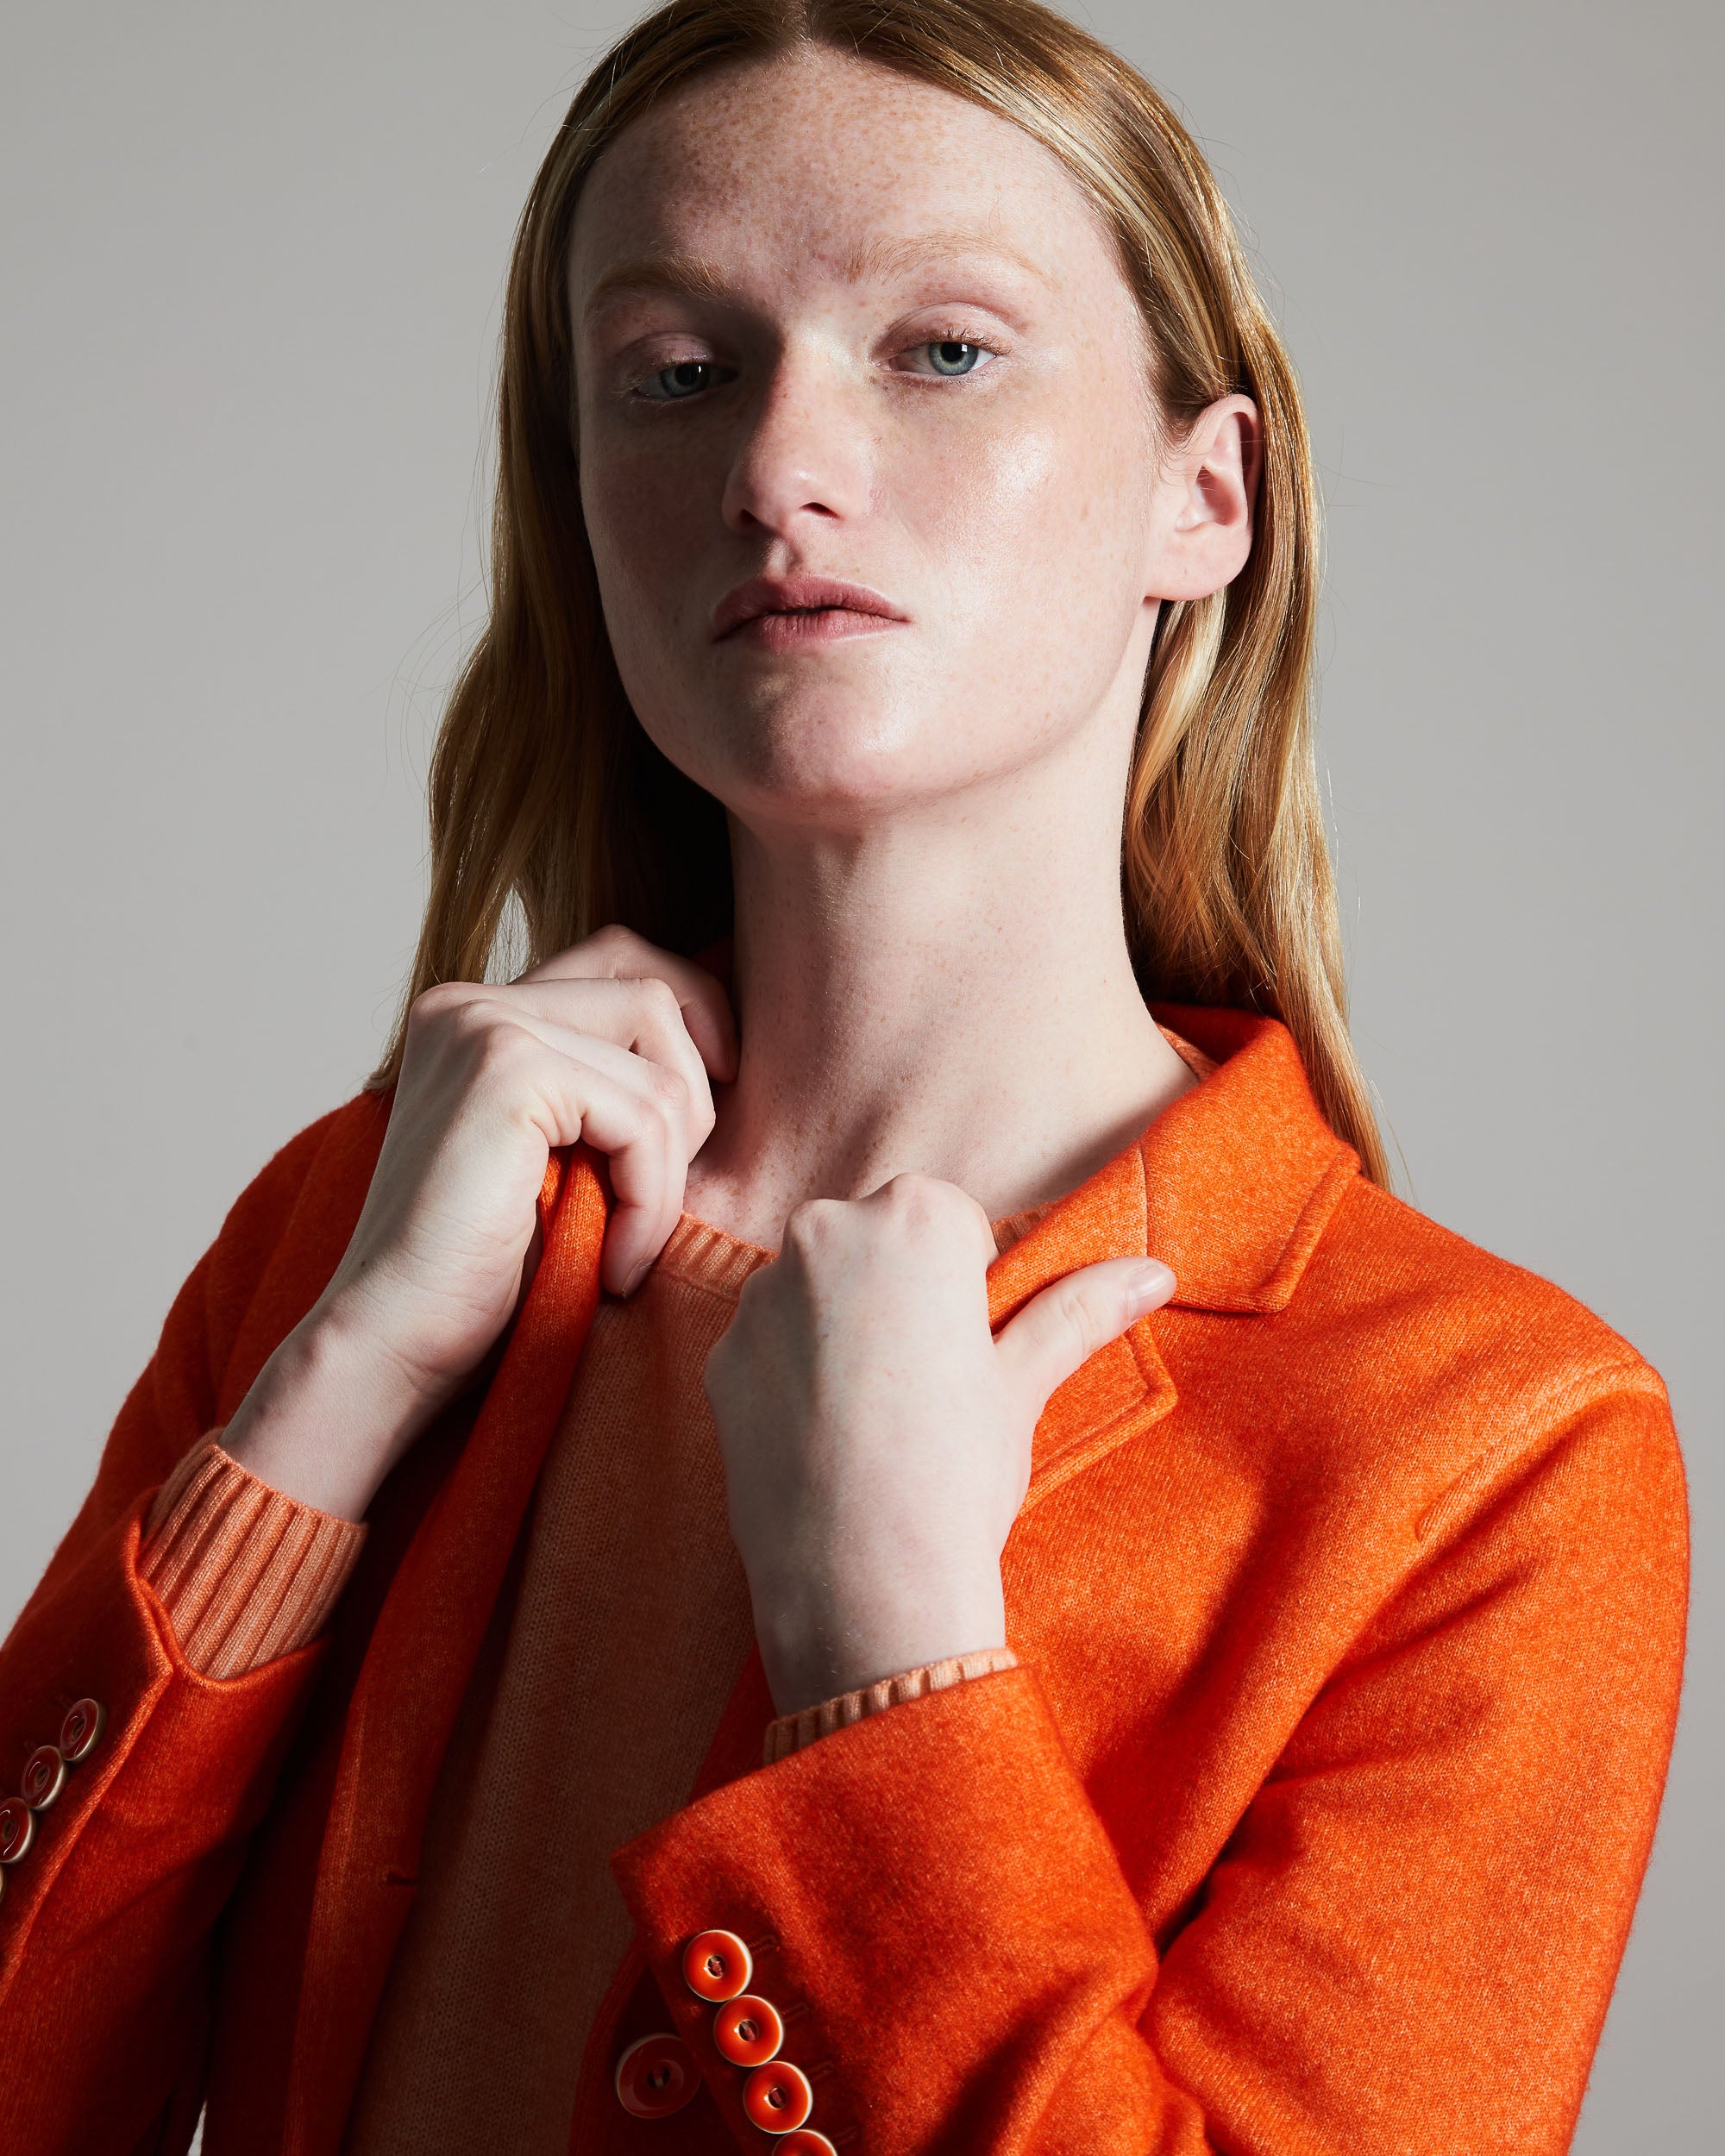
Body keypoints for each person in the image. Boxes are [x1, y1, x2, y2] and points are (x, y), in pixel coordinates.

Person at [0, 1, 1687, 2149]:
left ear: (1203, 497)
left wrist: (888, 1661)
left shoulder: (1486, 1447)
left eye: (942, 350)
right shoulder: (358, 1217)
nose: (776, 467)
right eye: (673, 370)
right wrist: (331, 1399)